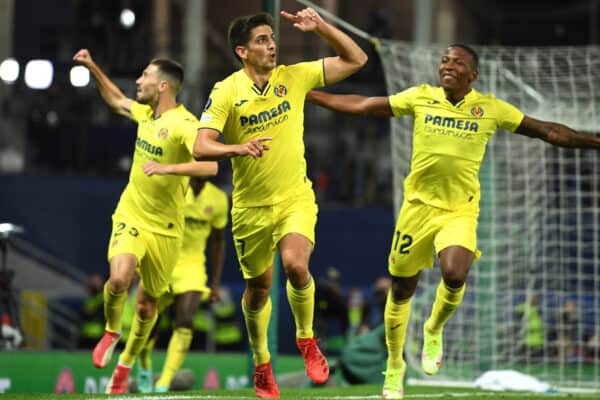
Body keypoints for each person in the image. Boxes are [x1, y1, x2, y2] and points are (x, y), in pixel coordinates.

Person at [306, 44, 600, 399]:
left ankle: (433, 328)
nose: (447, 65)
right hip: (417, 210)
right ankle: (395, 367)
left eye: (457, 62)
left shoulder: (489, 108)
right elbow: (365, 106)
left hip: (459, 210)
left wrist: (595, 140)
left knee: (455, 273)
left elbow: (549, 131)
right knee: (401, 290)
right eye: (444, 60)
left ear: (472, 75)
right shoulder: (421, 97)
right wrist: (312, 95)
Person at [193, 7, 367, 399]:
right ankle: (261, 364)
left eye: (272, 39)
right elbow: (200, 145)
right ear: (242, 51)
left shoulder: (295, 76)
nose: (272, 46)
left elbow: (357, 59)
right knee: (257, 290)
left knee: (295, 265)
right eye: (261, 41)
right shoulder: (226, 91)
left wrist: (322, 27)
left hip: (294, 198)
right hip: (250, 210)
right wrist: (238, 147)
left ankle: (307, 339)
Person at [72, 48, 233, 394]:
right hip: (131, 215)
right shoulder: (146, 114)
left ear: (162, 86)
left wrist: (167, 168)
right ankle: (112, 331)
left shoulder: (184, 124)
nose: (138, 80)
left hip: (167, 231)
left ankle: (128, 364)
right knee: (118, 280)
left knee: (148, 307)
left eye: (145, 75)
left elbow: (209, 166)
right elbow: (116, 100)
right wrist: (92, 65)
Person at [134, 175, 229, 393]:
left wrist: (215, 282)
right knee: (150, 319)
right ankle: (145, 364)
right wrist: (142, 263)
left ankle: (164, 382)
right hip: (165, 260)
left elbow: (217, 241)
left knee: (185, 318)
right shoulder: (174, 187)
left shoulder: (218, 198)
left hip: (193, 266)